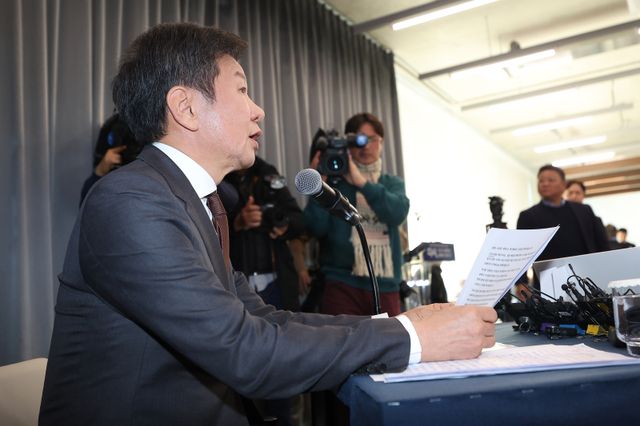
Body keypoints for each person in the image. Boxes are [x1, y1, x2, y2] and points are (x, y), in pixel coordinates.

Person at [39, 23, 497, 426]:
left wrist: (400, 323)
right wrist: (413, 339)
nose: (258, 110)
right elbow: (246, 351)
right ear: (186, 107)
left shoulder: (191, 201)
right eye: (242, 90)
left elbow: (265, 318)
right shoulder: (130, 201)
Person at [304, 113, 410, 317]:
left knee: (388, 338)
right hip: (341, 283)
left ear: (381, 143)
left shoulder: (391, 183)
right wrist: (318, 187)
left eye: (372, 139)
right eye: (359, 140)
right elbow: (315, 227)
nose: (366, 146)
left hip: (386, 285)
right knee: (344, 338)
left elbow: (397, 213)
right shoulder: (334, 185)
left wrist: (362, 183)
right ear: (347, 144)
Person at [517, 165, 609, 265]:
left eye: (551, 180)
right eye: (541, 181)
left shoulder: (584, 210)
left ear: (564, 185)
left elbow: (601, 244)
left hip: (587, 268)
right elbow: (522, 255)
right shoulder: (527, 216)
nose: (545, 184)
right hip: (548, 272)